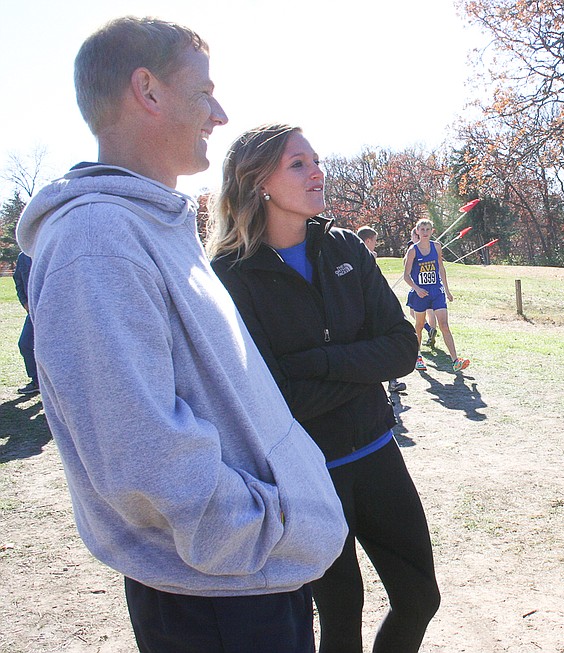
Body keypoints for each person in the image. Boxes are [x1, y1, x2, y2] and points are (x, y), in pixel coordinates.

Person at [15, 18, 347, 653]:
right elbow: (137, 450)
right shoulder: (97, 242)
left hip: (242, 581)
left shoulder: (149, 225)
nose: (219, 113)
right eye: (203, 92)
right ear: (148, 90)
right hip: (218, 597)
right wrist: (257, 532)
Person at [209, 124, 440, 653]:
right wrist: (360, 373)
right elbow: (274, 398)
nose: (318, 172)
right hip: (307, 475)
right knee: (340, 619)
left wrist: (316, 363)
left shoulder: (347, 249)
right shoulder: (230, 275)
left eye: (316, 160)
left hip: (379, 455)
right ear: (258, 181)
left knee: (420, 597)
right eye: (298, 164)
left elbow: (403, 347)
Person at [404, 218, 469, 373]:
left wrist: (447, 290)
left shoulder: (437, 247)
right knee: (419, 326)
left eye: (428, 230)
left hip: (436, 292)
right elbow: (406, 275)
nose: (425, 232)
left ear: (432, 231)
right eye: (422, 230)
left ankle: (455, 360)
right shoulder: (412, 250)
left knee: (444, 325)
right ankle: (417, 356)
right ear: (417, 231)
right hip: (421, 294)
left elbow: (441, 267)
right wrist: (417, 289)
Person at [357, 225, 407, 393]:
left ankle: (390, 381)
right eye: (375, 241)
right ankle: (389, 381)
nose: (375, 244)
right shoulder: (364, 256)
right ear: (368, 241)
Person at [406, 227, 437, 347]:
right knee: (430, 312)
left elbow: (406, 268)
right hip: (431, 286)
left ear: (416, 236)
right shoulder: (422, 248)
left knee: (413, 312)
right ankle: (431, 332)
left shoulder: (413, 249)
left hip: (418, 286)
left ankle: (429, 329)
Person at [13, 251, 38, 395]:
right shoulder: (23, 257)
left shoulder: (50, 251)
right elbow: (18, 281)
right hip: (34, 312)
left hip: (55, 311)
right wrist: (24, 302)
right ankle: (36, 381)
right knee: (25, 344)